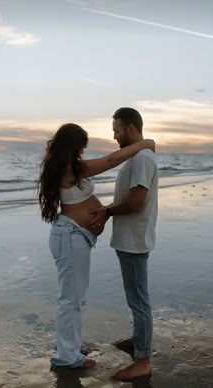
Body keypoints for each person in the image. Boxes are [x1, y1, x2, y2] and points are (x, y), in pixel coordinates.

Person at [38, 123, 155, 370]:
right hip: (70, 237)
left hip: (73, 237)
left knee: (75, 297)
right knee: (71, 299)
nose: (83, 150)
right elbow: (111, 161)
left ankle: (71, 346)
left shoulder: (66, 166)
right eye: (81, 145)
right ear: (73, 145)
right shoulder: (71, 168)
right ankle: (66, 358)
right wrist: (144, 144)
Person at [88, 108, 158, 381]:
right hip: (132, 238)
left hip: (134, 241)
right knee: (136, 298)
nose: (114, 135)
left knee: (139, 301)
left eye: (117, 130)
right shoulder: (138, 157)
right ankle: (138, 340)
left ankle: (142, 361)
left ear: (131, 128)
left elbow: (136, 202)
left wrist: (106, 211)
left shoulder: (141, 159)